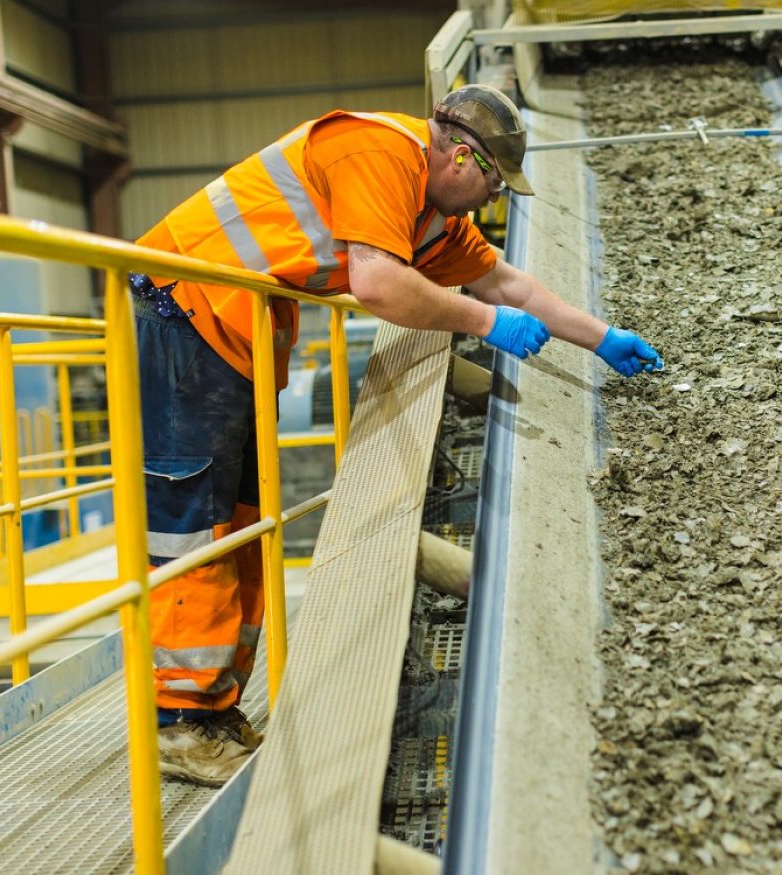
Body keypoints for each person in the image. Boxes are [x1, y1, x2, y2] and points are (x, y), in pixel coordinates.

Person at [131, 84, 663, 787]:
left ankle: (214, 707)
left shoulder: (428, 215)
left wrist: (602, 340)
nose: (491, 199)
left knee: (240, 524)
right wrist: (482, 325)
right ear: (465, 158)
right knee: (193, 523)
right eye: (494, 182)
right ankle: (178, 723)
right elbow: (380, 285)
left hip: (238, 329)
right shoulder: (379, 153)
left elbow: (504, 283)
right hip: (185, 308)